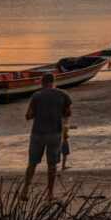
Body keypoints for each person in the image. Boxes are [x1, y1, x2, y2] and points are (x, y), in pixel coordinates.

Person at [20, 73, 72, 201]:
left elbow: (28, 115)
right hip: (55, 132)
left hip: (38, 133)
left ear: (42, 81)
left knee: (32, 163)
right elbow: (68, 113)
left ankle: (25, 191)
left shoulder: (37, 95)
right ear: (54, 81)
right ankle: (50, 193)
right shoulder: (63, 94)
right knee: (52, 164)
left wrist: (39, 112)